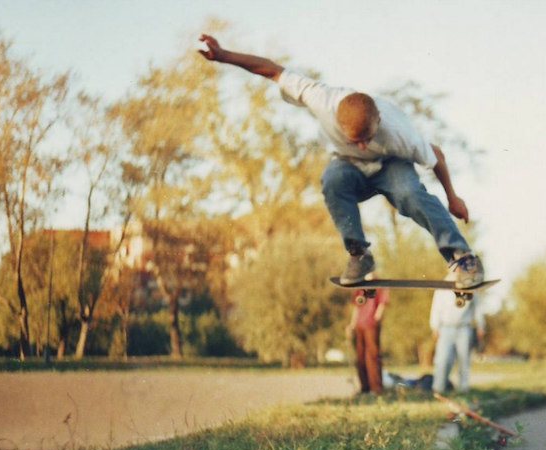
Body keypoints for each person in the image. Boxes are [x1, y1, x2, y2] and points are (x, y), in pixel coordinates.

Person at [198, 34, 485, 288]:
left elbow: (436, 156)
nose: (362, 145)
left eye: (367, 138)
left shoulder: (399, 131)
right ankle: (360, 254)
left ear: (379, 121)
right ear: (337, 121)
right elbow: (271, 70)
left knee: (410, 194)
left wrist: (453, 196)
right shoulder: (320, 99)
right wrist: (223, 56)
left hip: (391, 165)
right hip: (350, 167)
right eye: (354, 139)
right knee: (333, 180)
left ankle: (462, 257)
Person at [430, 273, 486, 394]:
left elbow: (477, 307)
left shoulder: (470, 283)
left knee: (464, 360)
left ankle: (463, 389)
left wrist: (481, 326)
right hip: (446, 327)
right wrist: (435, 327)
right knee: (442, 359)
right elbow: (436, 308)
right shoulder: (443, 285)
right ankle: (438, 389)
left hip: (464, 328)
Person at [346, 286, 389, 395]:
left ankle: (376, 388)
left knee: (372, 356)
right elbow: (356, 307)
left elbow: (383, 303)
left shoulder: (380, 286)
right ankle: (364, 388)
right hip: (360, 325)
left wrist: (376, 319)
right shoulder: (360, 288)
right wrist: (352, 325)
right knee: (360, 357)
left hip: (371, 324)